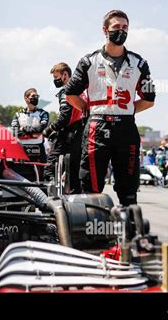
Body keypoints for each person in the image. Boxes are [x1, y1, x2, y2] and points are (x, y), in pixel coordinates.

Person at [63, 10, 156, 206]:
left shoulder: (140, 63)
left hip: (126, 128)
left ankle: (129, 229)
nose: (121, 31)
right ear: (105, 30)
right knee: (91, 185)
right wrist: (87, 109)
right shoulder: (89, 61)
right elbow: (70, 94)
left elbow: (149, 99)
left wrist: (126, 110)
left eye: (125, 27)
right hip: (97, 126)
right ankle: (92, 228)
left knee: (129, 187)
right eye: (116, 27)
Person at [42, 62, 85, 193]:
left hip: (68, 135)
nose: (55, 81)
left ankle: (50, 203)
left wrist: (49, 129)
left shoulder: (67, 90)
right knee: (74, 172)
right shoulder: (81, 89)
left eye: (56, 77)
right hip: (80, 134)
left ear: (65, 75)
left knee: (49, 171)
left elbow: (64, 117)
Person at [11, 88, 49, 180]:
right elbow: (15, 132)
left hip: (38, 150)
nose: (36, 98)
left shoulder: (43, 113)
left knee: (40, 178)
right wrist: (32, 134)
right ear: (26, 98)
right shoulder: (18, 114)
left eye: (37, 96)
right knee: (22, 177)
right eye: (33, 96)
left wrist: (23, 129)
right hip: (22, 150)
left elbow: (40, 129)